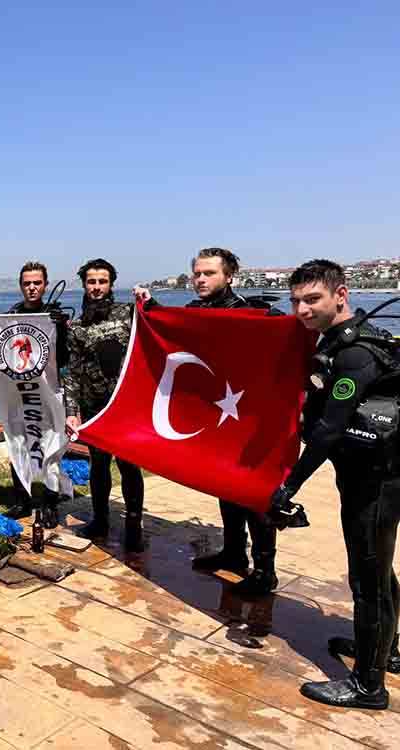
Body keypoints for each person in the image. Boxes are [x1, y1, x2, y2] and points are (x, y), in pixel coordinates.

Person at [268, 260, 400, 710]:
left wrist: (289, 486)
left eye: (313, 300)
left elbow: (329, 429)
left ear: (340, 295)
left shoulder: (355, 353)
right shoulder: (342, 338)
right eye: (296, 301)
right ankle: (386, 650)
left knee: (367, 581)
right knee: (380, 572)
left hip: (376, 483)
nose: (302, 310)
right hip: (370, 474)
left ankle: (368, 686)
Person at [135, 247, 279, 596]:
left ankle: (265, 571)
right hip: (215, 412)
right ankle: (233, 552)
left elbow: (281, 343)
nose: (200, 279)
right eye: (197, 273)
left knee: (253, 492)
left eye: (209, 273)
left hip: (247, 416)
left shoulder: (251, 312)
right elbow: (171, 331)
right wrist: (150, 308)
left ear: (229, 276)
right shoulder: (193, 311)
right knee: (225, 486)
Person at [64, 258, 145, 550]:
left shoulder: (128, 314)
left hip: (125, 406)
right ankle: (100, 520)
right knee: (98, 465)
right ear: (84, 285)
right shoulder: (77, 326)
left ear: (111, 284)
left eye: (102, 281)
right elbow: (72, 373)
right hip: (94, 407)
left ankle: (134, 527)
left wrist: (150, 302)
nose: (97, 287)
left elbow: (161, 327)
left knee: (129, 466)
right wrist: (72, 412)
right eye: (91, 282)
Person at [4, 261, 70, 521]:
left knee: (51, 446)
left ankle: (51, 503)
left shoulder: (54, 315)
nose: (32, 287)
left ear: (45, 285)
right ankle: (22, 500)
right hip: (20, 391)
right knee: (18, 442)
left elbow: (64, 358)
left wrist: (60, 329)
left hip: (48, 391)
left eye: (37, 283)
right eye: (27, 283)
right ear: (20, 286)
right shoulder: (11, 315)